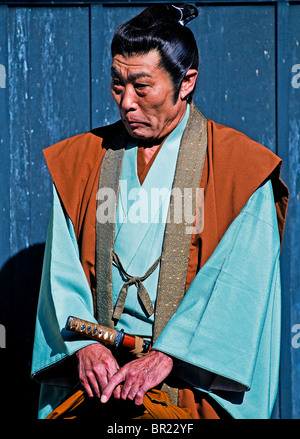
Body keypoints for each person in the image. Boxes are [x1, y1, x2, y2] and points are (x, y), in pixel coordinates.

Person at [31, 4, 289, 420]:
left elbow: (241, 284)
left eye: (142, 86)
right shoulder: (80, 162)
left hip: (190, 385)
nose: (126, 103)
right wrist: (85, 347)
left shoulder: (242, 168)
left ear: (186, 82)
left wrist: (171, 355)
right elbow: (60, 274)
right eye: (118, 85)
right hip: (101, 381)